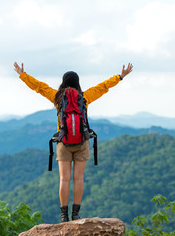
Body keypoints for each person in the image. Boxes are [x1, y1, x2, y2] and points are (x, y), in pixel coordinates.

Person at [14, 61, 133, 222]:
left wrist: (23, 75)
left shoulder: (57, 97)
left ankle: (64, 216)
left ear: (63, 82)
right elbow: (103, 87)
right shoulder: (84, 98)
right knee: (78, 179)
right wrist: (120, 76)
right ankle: (76, 214)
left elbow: (39, 87)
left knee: (64, 179)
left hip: (63, 143)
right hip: (82, 142)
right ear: (78, 83)